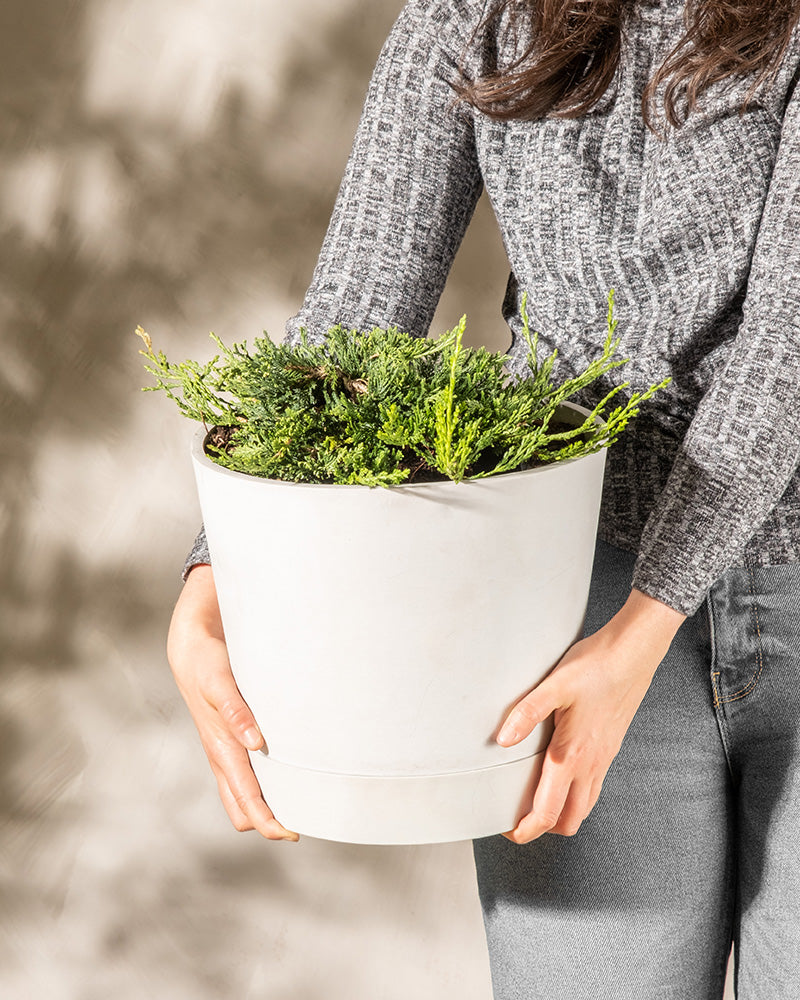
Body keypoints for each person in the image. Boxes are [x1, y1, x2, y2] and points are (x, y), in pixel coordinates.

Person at [166, 1, 800, 996]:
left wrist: (644, 621)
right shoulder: (472, 12)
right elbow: (357, 312)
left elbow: (783, 352)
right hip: (560, 607)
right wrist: (217, 574)